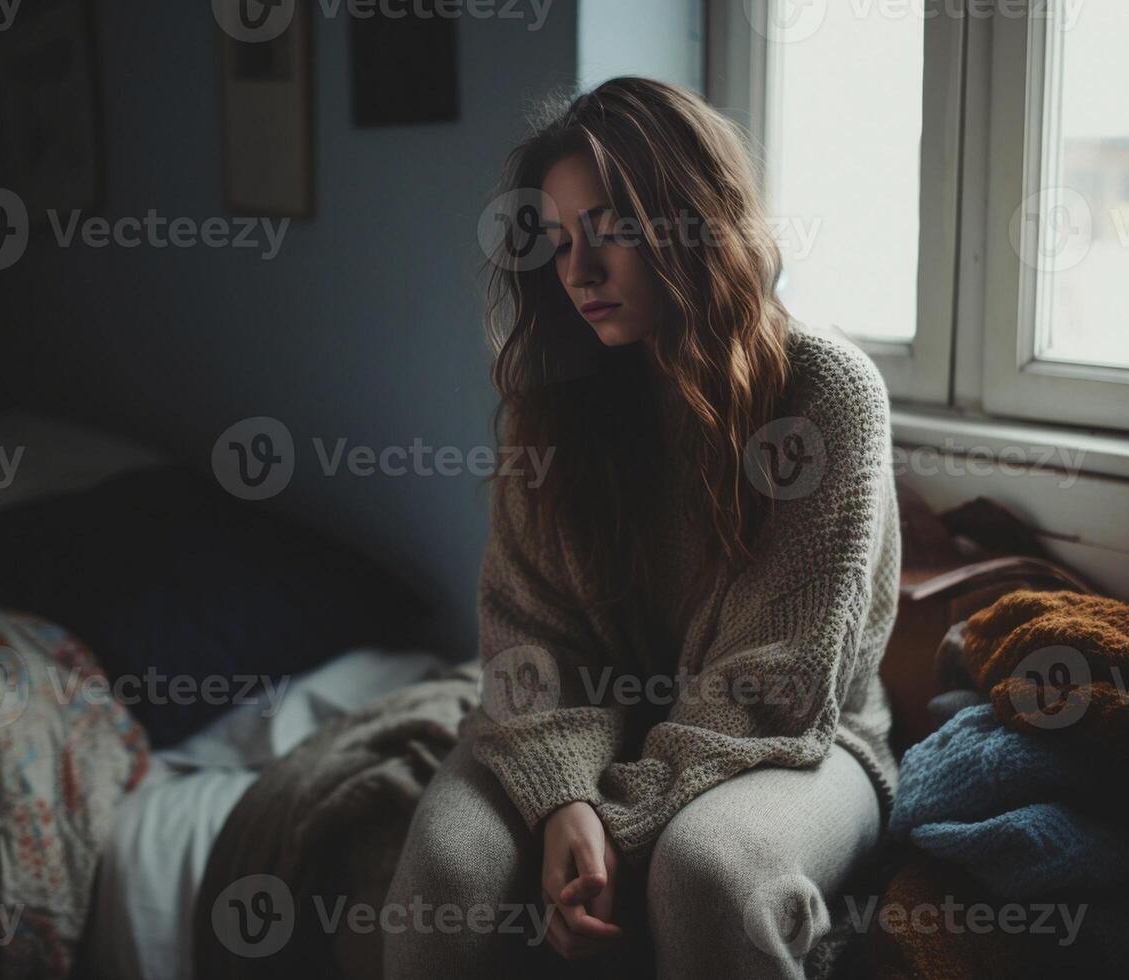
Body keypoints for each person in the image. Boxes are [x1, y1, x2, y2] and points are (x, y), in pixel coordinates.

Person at [383, 76, 901, 979]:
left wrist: (605, 828)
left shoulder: (826, 397)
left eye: (612, 229)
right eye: (558, 241)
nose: (578, 272)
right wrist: (556, 803)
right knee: (447, 876)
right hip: (595, 726)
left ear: (693, 219)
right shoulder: (557, 409)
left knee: (707, 870)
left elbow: (775, 685)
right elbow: (527, 632)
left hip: (803, 743)